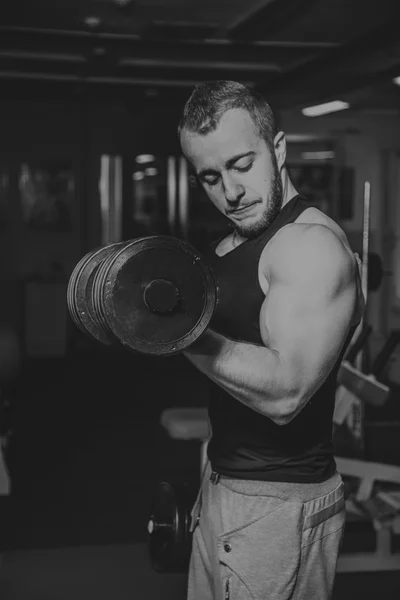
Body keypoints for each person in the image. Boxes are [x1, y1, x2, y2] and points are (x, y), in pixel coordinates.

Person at [177, 81, 364, 600]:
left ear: (277, 149)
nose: (231, 192)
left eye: (242, 164)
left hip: (279, 505)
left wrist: (178, 333)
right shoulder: (230, 242)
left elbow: (285, 393)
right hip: (222, 484)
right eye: (210, 177)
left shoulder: (310, 247)